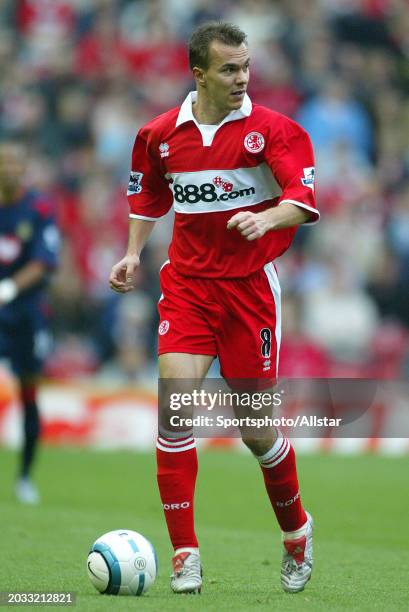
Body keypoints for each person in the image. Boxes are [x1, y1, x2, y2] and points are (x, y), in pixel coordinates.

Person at [110, 22, 319, 594]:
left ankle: (297, 531)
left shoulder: (272, 130)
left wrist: (266, 217)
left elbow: (301, 198)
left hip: (250, 290)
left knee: (256, 430)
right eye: (229, 69)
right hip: (188, 287)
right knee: (175, 409)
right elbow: (149, 196)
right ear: (197, 74)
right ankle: (185, 554)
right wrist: (131, 254)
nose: (242, 78)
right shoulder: (159, 135)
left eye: (246, 67)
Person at [0, 140, 59, 504]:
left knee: (29, 393)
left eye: (14, 162)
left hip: (26, 314)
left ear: (24, 168)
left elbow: (43, 261)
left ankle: (25, 477)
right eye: (3, 162)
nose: (8, 169)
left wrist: (7, 288)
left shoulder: (38, 209)